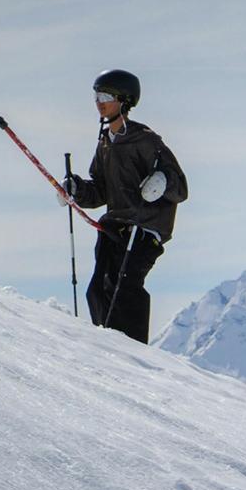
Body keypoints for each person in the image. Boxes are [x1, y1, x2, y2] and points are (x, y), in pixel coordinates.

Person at [61, 69, 187, 344]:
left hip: (143, 228)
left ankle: (133, 352)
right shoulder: (105, 142)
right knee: (97, 291)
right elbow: (100, 190)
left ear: (124, 100)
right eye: (96, 96)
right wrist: (75, 189)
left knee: (124, 286)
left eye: (105, 96)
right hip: (113, 227)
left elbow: (180, 186)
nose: (99, 102)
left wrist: (162, 180)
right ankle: (108, 347)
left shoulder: (146, 140)